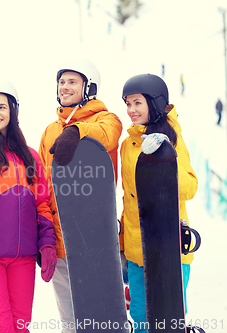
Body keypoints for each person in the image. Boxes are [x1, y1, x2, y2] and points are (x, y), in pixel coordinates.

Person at [38, 59, 123, 332]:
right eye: (62, 82)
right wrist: (45, 237)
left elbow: (107, 135)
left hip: (94, 241)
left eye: (72, 81)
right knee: (70, 319)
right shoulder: (51, 131)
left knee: (100, 317)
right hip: (61, 241)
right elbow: (41, 184)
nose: (65, 87)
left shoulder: (106, 119)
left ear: (89, 87)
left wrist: (77, 130)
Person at [0, 81, 57, 333]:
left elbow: (42, 204)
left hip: (23, 260)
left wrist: (47, 243)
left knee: (20, 328)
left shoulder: (30, 156)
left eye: (2, 107)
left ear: (13, 111)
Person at [121, 74, 198, 333]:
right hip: (136, 251)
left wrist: (166, 160)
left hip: (169, 250)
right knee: (142, 320)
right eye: (128, 104)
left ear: (154, 103)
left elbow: (190, 188)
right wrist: (123, 248)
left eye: (137, 103)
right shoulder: (127, 145)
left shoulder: (173, 138)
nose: (131, 110)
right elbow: (128, 199)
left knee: (168, 321)